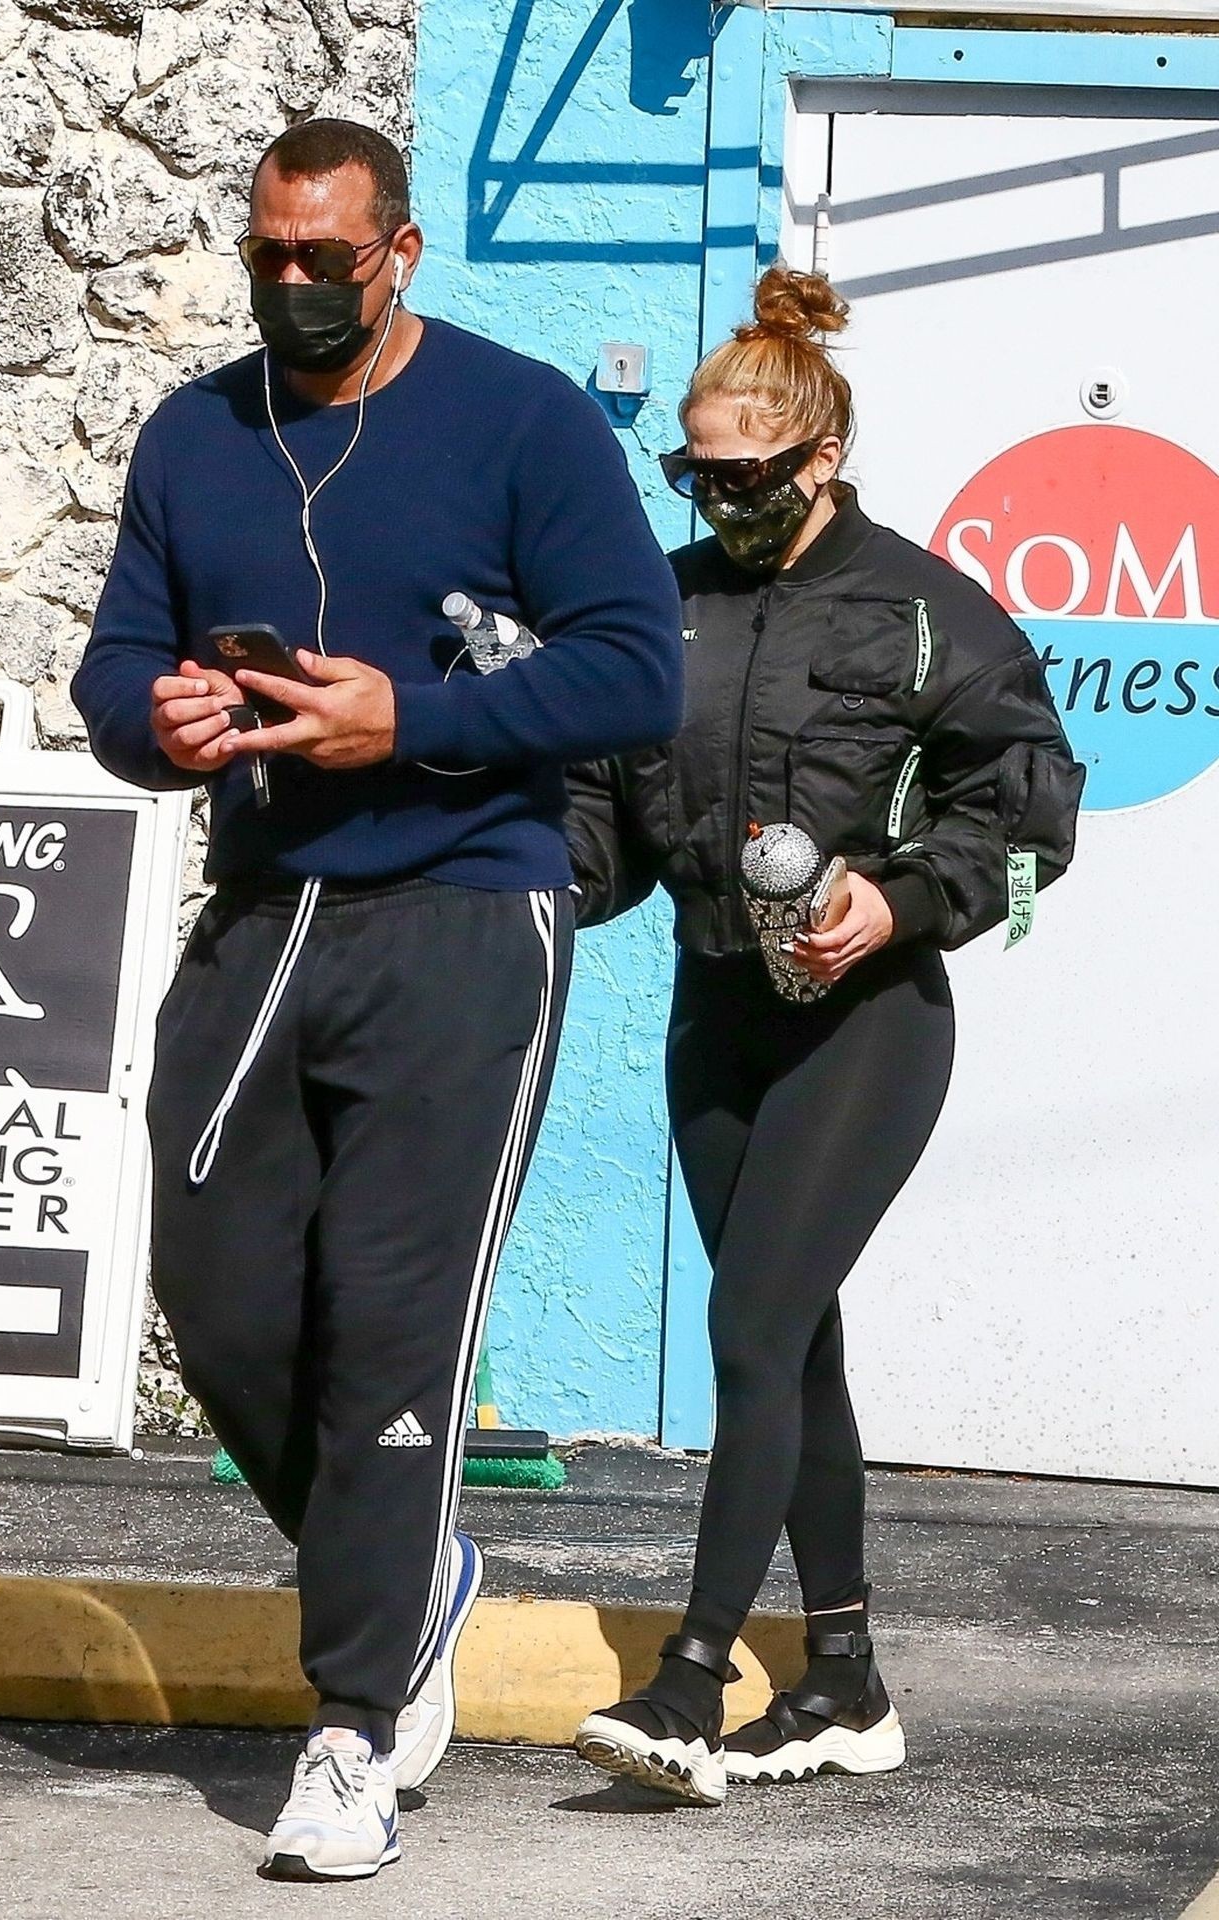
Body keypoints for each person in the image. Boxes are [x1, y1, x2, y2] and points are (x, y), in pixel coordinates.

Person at [71, 119, 682, 1880]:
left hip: (468, 910)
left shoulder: (525, 421)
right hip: (268, 912)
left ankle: (352, 1730)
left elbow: (634, 668)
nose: (291, 283)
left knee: (395, 1328)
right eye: (266, 253)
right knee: (221, 1302)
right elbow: (115, 669)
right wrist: (158, 722)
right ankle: (418, 1583)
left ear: (398, 253)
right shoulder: (195, 433)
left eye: (324, 258)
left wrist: (406, 719)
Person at [568, 268, 1084, 1806]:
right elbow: (602, 819)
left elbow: (1035, 817)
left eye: (747, 477)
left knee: (747, 1330)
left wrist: (906, 899)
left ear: (822, 460)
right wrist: (523, 883)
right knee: (792, 1343)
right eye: (696, 475)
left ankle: (689, 1684)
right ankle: (846, 1683)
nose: (719, 502)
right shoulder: (657, 606)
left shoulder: (928, 610)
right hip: (717, 1011)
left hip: (867, 1021)